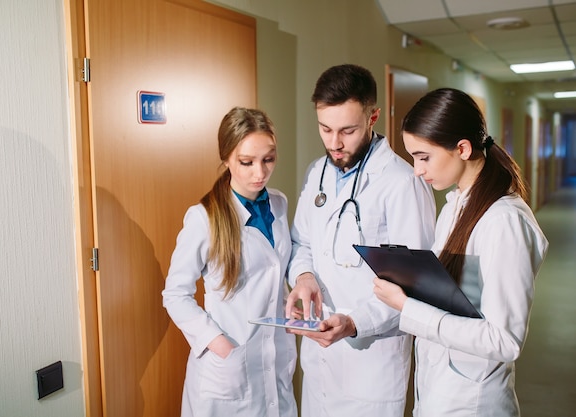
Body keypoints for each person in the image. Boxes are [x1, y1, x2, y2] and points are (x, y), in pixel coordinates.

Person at [373, 87, 549, 416]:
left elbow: (504, 340)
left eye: (423, 156)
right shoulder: (455, 204)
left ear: (462, 148)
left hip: (474, 402)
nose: (416, 170)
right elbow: (460, 297)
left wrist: (408, 307)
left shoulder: (503, 221)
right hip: (441, 390)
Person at [285, 63, 436, 416]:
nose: (334, 143)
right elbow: (301, 243)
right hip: (320, 359)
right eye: (325, 129)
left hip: (372, 367)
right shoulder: (316, 172)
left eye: (348, 130)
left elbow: (414, 283)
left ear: (373, 117)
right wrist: (304, 277)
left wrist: (355, 323)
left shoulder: (402, 182)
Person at [162, 107, 298, 417]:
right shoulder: (203, 219)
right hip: (226, 366)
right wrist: (217, 343)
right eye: (246, 162)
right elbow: (175, 295)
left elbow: (273, 271)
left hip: (273, 358)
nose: (259, 173)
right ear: (226, 158)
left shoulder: (278, 203)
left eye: (269, 159)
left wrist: (290, 297)